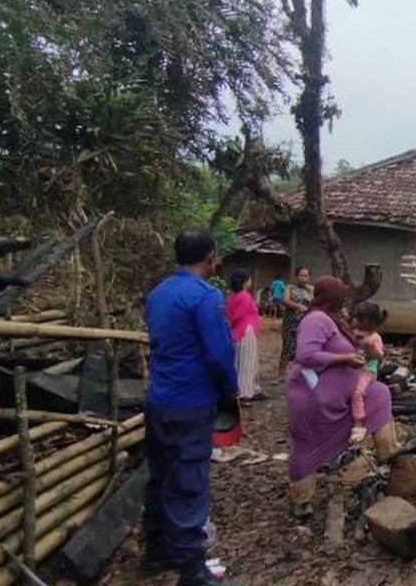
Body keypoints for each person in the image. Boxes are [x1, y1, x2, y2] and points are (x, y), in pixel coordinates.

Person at [140, 230, 238, 586]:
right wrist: (230, 390)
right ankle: (193, 570)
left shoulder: (157, 293)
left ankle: (155, 550)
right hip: (191, 401)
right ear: (210, 256)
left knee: (160, 475)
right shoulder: (204, 296)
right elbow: (219, 352)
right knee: (188, 481)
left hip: (158, 398)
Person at [285, 276, 398, 520]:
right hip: (314, 396)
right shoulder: (315, 319)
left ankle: (391, 457)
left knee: (379, 394)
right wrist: (344, 360)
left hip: (334, 395)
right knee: (307, 444)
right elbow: (306, 355)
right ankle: (301, 499)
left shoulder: (333, 320)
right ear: (334, 297)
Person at [348, 301, 387, 444]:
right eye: (355, 318)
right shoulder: (355, 332)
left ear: (369, 322)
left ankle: (359, 423)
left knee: (357, 393)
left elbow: (380, 356)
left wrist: (370, 347)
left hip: (367, 370)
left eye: (359, 319)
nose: (355, 321)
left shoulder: (374, 337)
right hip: (354, 368)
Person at [225, 269, 262, 402]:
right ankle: (244, 392)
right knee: (247, 361)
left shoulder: (230, 296)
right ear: (246, 282)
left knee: (240, 361)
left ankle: (251, 387)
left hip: (236, 331)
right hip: (247, 330)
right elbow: (242, 314)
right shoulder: (245, 296)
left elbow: (229, 316)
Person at [278, 266, 314, 378]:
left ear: (309, 277)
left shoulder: (311, 290)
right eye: (301, 275)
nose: (303, 278)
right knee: (287, 349)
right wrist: (298, 306)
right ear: (297, 277)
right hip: (290, 324)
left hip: (305, 325)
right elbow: (285, 300)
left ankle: (299, 375)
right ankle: (280, 375)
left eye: (306, 276)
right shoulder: (290, 288)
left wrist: (311, 292)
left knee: (302, 349)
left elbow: (314, 305)